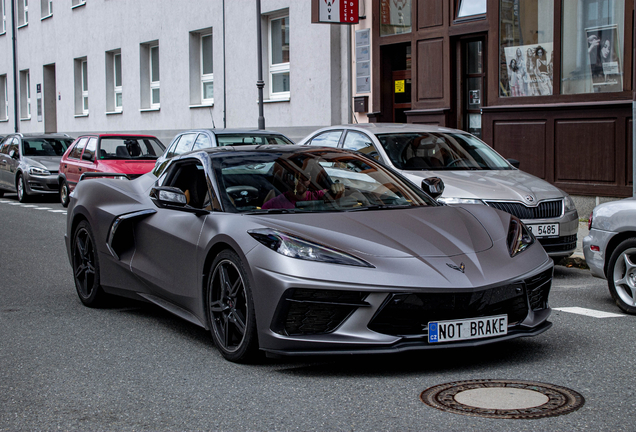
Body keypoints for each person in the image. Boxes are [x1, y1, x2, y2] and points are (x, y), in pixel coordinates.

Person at [262, 171, 345, 210]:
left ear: (309, 180)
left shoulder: (321, 196)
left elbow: (342, 202)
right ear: (286, 179)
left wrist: (340, 190)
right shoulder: (273, 205)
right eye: (293, 177)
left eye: (304, 177)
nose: (299, 181)